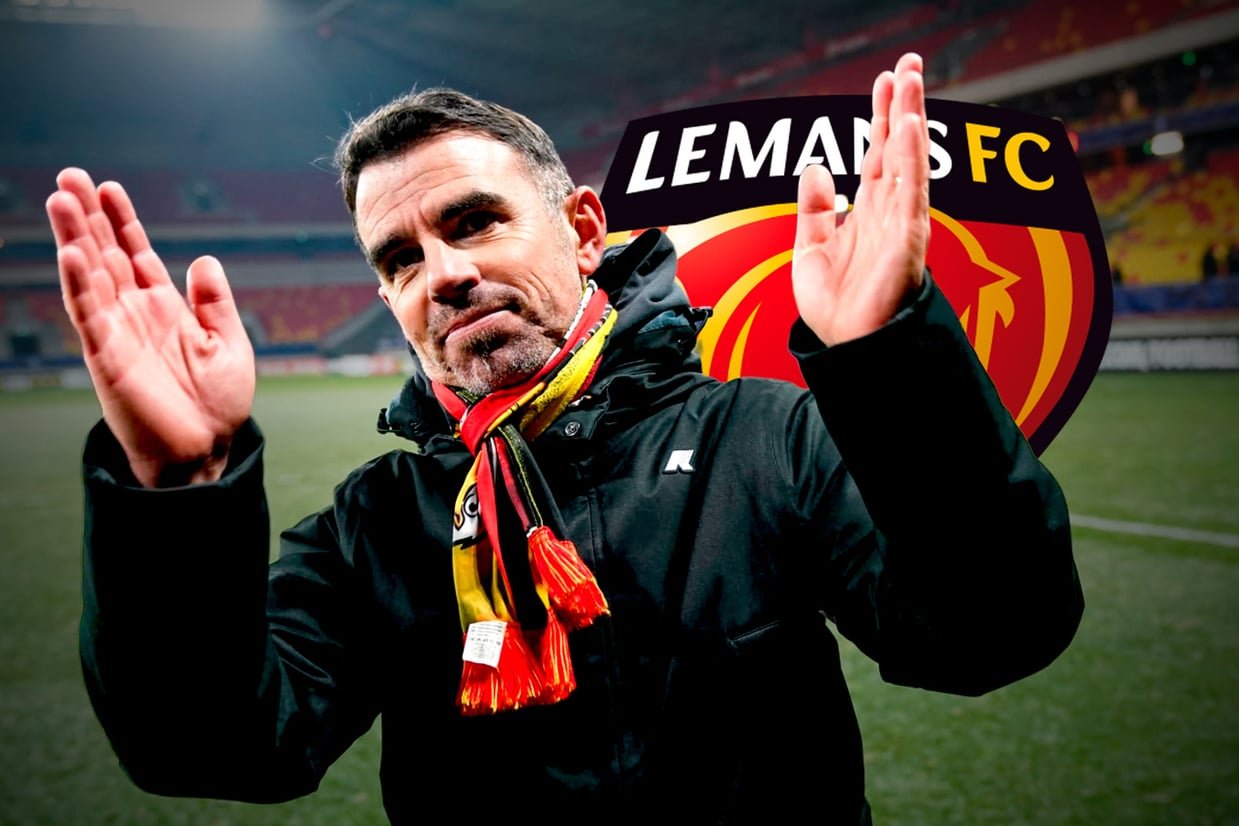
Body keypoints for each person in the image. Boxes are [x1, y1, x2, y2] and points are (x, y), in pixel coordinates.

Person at [47, 53, 1082, 825]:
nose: (444, 274)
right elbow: (212, 747)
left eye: (474, 221)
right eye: (399, 259)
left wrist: (893, 361)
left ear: (585, 230)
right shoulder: (381, 524)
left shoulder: (761, 437)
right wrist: (175, 493)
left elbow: (992, 632)